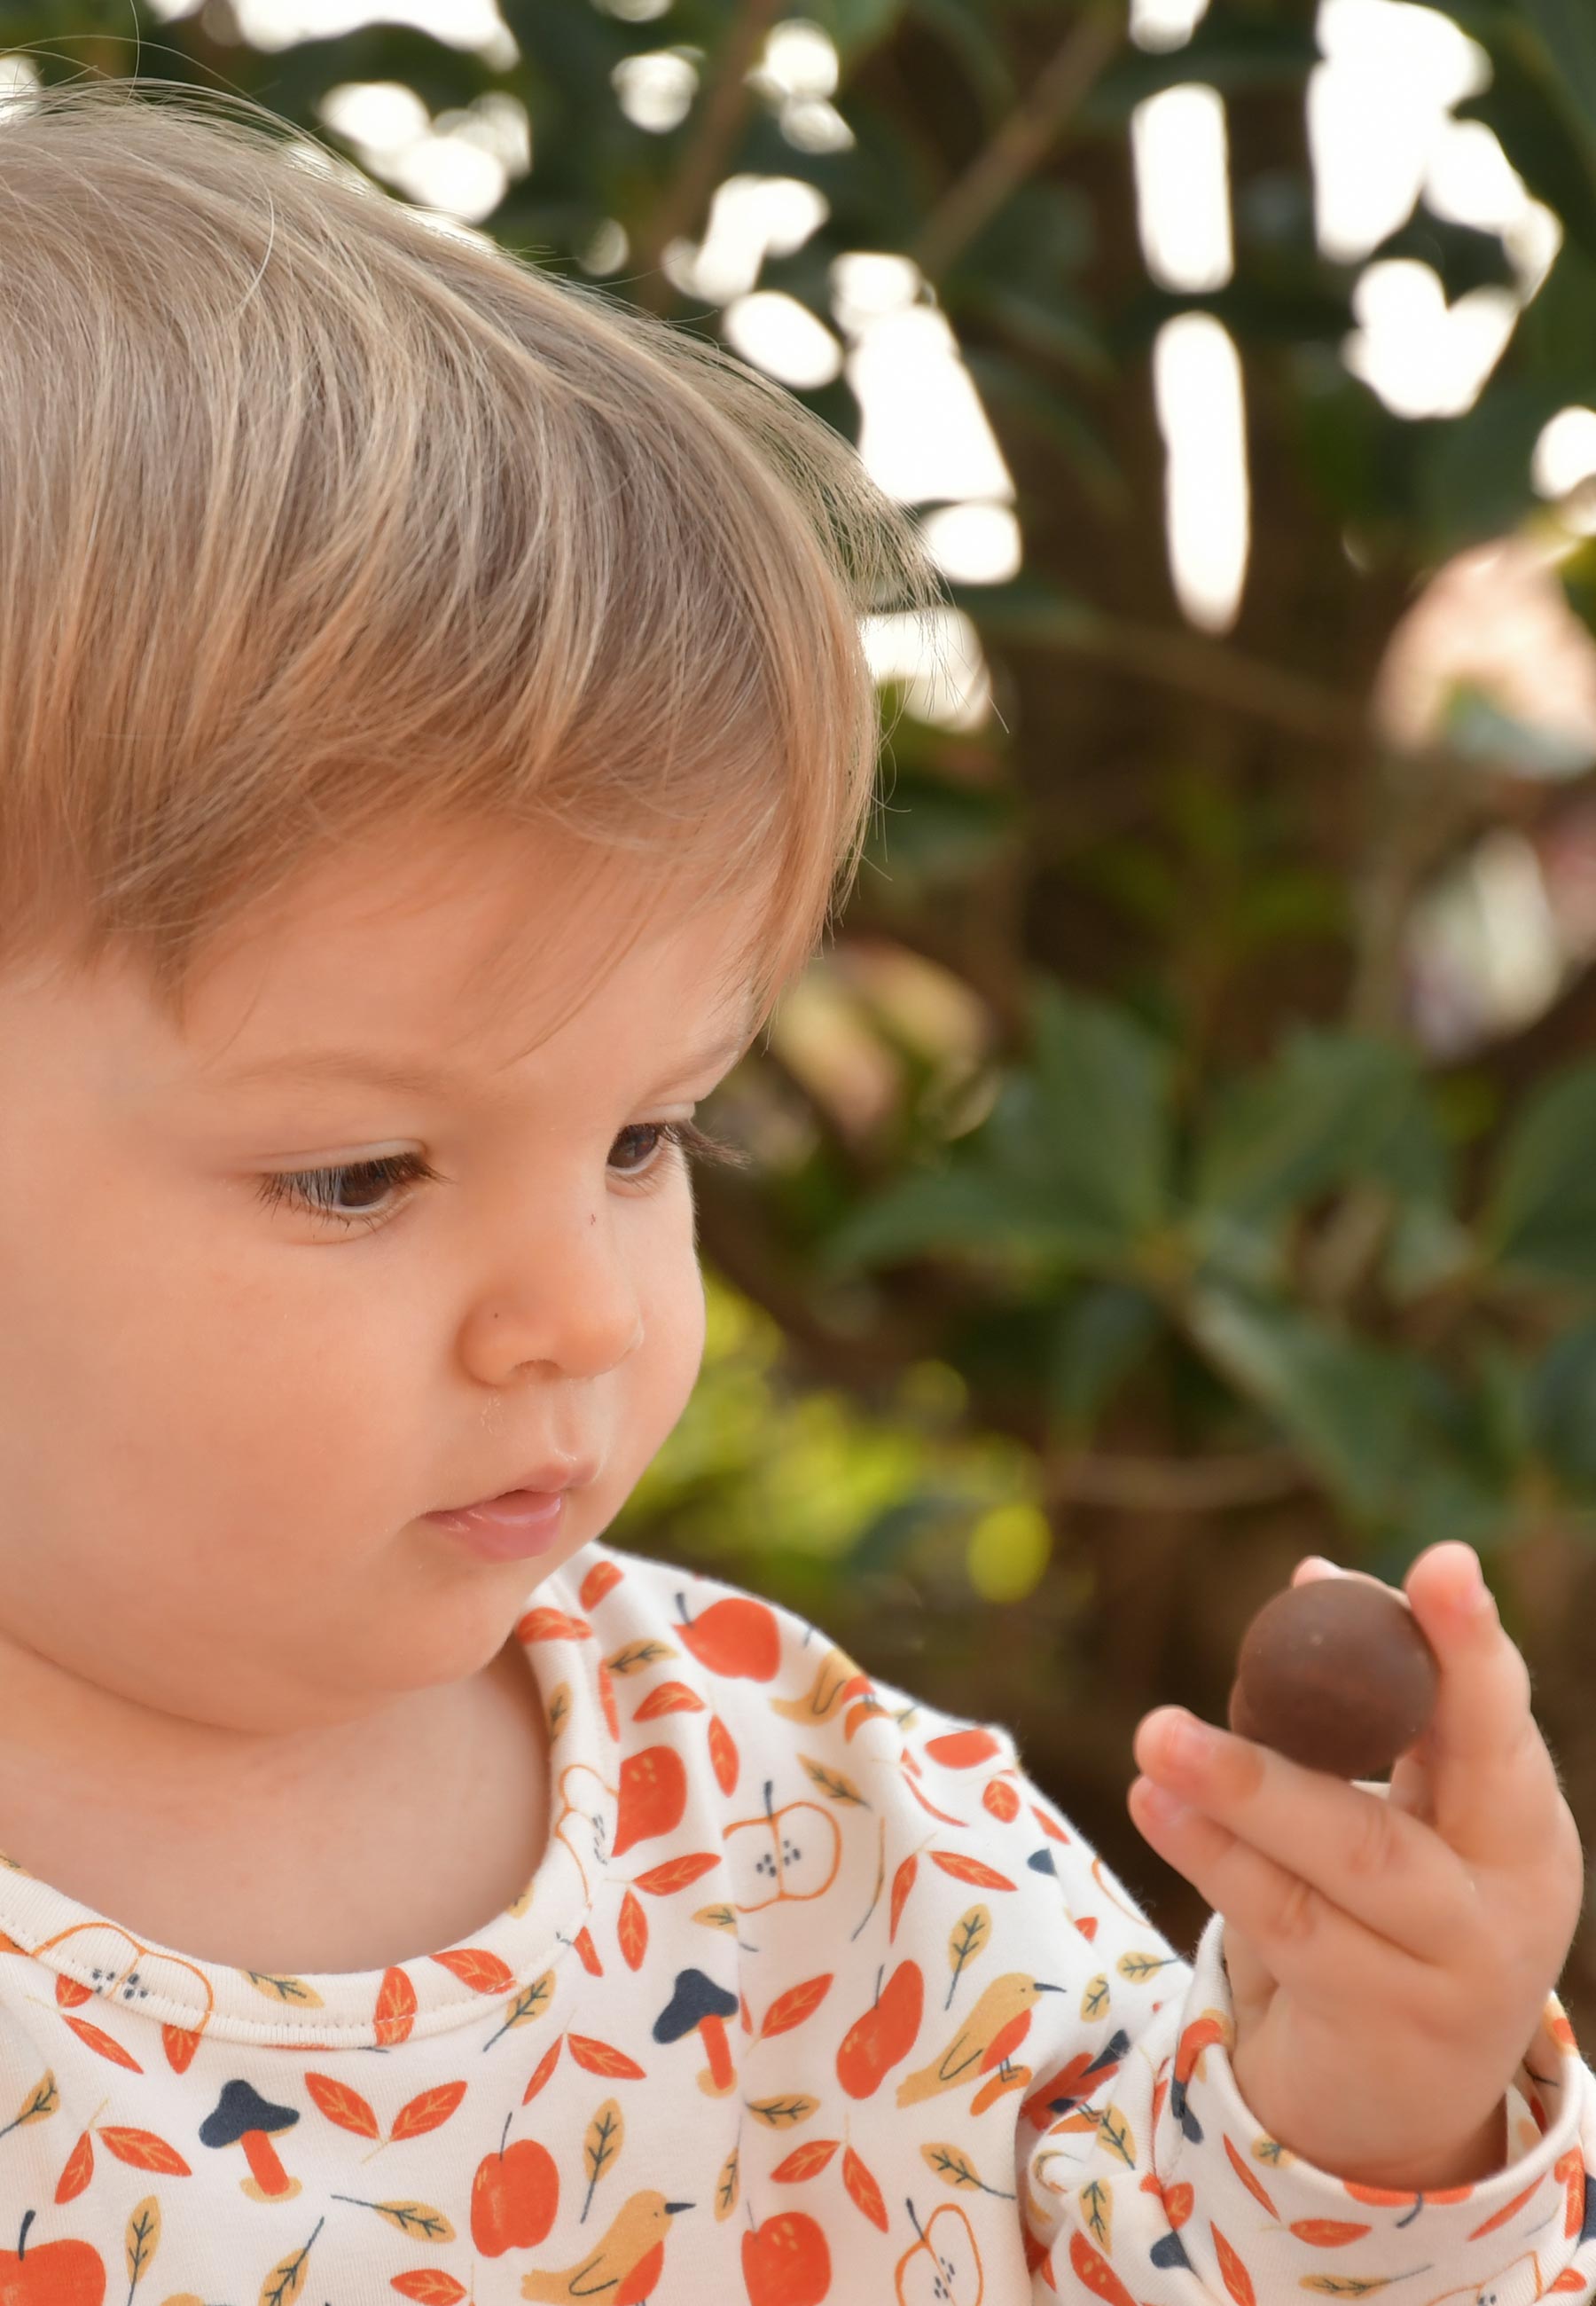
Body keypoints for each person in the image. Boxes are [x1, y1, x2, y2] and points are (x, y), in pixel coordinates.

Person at [0, 71, 1584, 2305]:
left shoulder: (825, 1830)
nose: (581, 1311)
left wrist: (1368, 2126)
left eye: (645, 1137)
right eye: (359, 1171)